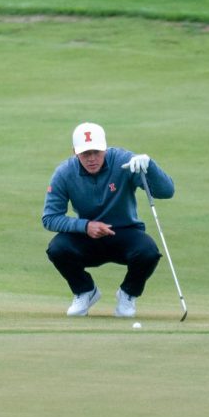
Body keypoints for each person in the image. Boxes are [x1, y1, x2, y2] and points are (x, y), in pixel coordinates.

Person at [42, 122, 175, 317]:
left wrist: (150, 166)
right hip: (87, 237)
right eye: (85, 154)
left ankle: (128, 294)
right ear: (74, 152)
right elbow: (50, 218)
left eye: (96, 152)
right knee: (58, 249)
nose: (92, 159)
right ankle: (85, 291)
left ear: (105, 147)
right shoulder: (64, 173)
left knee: (148, 252)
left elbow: (167, 192)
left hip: (125, 232)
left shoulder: (125, 161)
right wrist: (85, 226)